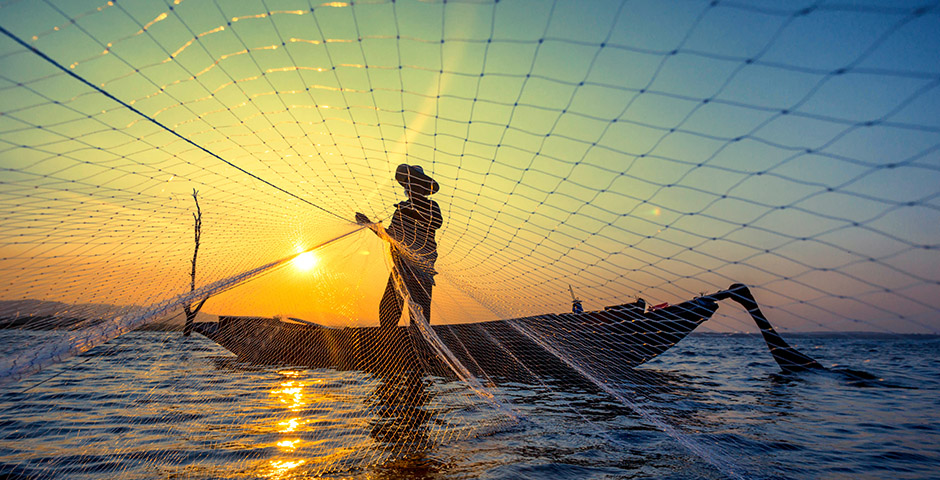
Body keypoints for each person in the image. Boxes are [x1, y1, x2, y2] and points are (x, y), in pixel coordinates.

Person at [356, 164, 442, 328]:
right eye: (408, 184)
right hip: (401, 268)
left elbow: (436, 222)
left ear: (423, 188)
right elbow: (390, 236)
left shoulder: (431, 206)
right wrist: (369, 224)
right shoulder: (401, 209)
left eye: (414, 184)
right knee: (388, 310)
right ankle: (389, 342)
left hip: (421, 271)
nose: (410, 188)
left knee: (419, 316)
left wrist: (410, 211)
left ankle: (422, 350)